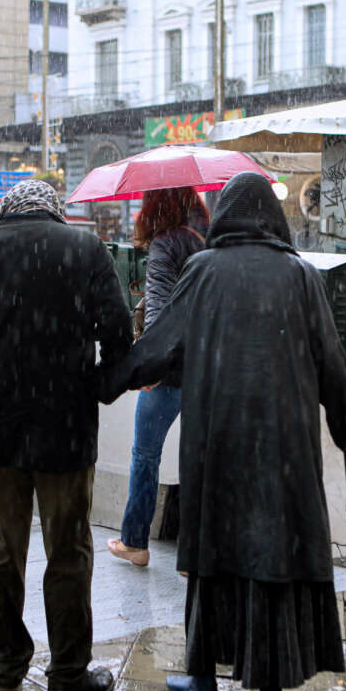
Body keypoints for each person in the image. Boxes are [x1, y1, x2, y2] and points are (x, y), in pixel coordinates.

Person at [100, 172, 346, 691]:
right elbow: (335, 367)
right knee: (271, 562)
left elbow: (160, 344)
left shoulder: (203, 271)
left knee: (213, 559)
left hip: (217, 444)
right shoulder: (301, 276)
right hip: (282, 450)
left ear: (225, 218)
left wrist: (108, 379)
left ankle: (203, 679)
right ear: (273, 217)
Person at [0, 179, 132, 691]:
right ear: (54, 211)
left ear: (8, 211)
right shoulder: (84, 249)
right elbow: (118, 332)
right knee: (68, 551)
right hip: (63, 428)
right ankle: (67, 676)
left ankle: (6, 669)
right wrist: (97, 386)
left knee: (3, 552)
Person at [107, 187, 207, 568]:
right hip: (205, 366)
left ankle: (135, 542)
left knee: (145, 454)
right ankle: (200, 550)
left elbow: (159, 313)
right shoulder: (208, 240)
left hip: (170, 372)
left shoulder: (166, 244)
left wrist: (151, 366)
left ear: (154, 207)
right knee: (203, 457)